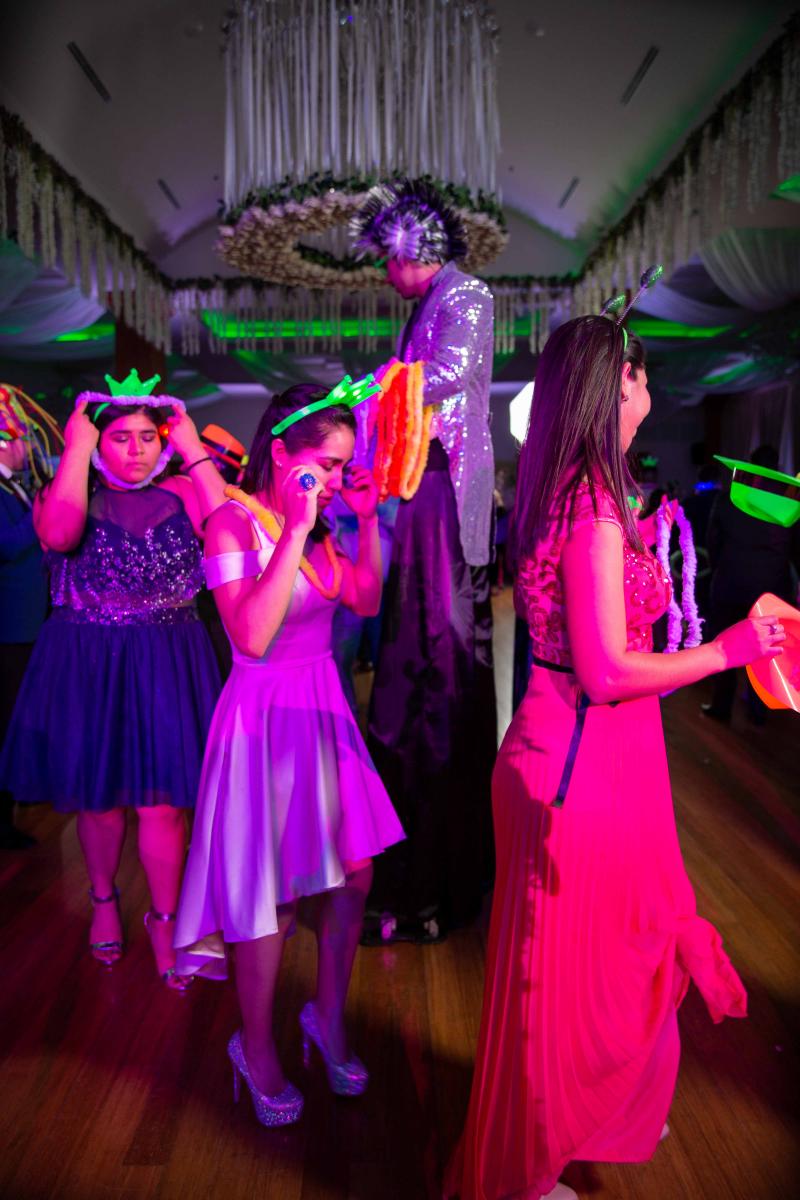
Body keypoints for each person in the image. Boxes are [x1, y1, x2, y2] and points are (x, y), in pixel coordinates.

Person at [445, 316, 784, 1200]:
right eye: (640, 376)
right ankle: (523, 1168)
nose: (649, 392)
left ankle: (591, 1112)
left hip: (606, 752)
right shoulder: (591, 506)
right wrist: (728, 651)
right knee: (561, 978)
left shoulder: (581, 491)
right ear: (616, 386)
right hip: (578, 760)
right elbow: (604, 672)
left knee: (612, 953)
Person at [174, 380, 404, 1128]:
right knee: (270, 896)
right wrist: (297, 531)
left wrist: (362, 521)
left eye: (342, 466)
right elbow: (250, 635)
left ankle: (326, 1018)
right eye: (325, 464)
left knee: (355, 875)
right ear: (280, 453)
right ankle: (256, 1045)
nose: (334, 479)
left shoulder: (326, 524)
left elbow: (364, 600)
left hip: (323, 710)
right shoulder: (231, 524)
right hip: (264, 717)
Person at [0, 370, 225, 988]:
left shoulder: (186, 491)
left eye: (148, 437)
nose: (135, 450)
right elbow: (59, 535)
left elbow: (231, 529)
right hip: (89, 660)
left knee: (163, 806)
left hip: (166, 658)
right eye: (120, 437)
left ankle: (166, 919)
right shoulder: (72, 491)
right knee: (99, 802)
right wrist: (75, 448)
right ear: (98, 442)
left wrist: (192, 447)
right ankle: (103, 900)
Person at [350, 178, 497, 943]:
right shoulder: (426, 306)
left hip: (444, 491)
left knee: (440, 664)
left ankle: (438, 879)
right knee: (415, 662)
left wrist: (383, 383)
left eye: (390, 257)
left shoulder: (465, 295)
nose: (386, 272)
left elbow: (448, 377)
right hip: (421, 490)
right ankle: (412, 875)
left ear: (416, 251)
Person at [0, 385, 63, 849]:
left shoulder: (15, 485)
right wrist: (40, 514)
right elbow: (5, 546)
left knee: (16, 715)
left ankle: (15, 802)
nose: (29, 447)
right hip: (8, 624)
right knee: (5, 719)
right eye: (24, 439)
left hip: (26, 621)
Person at [703, 443, 800, 724]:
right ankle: (759, 711)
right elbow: (796, 550)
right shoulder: (790, 507)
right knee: (765, 651)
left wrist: (723, 567)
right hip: (771, 591)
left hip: (729, 584)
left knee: (724, 645)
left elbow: (712, 541)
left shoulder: (729, 499)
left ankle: (721, 706)